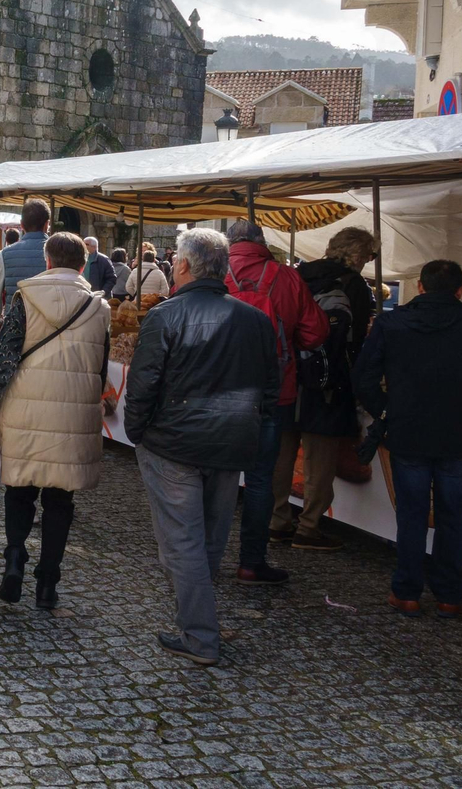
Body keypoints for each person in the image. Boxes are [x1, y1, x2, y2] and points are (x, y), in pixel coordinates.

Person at [124, 227, 279, 666]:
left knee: (184, 541)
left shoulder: (167, 315)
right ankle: (200, 620)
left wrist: (138, 432)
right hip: (228, 439)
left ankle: (199, 635)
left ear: (183, 265)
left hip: (176, 442)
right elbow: (271, 386)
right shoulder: (255, 319)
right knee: (207, 537)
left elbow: (143, 384)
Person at [354, 260, 462, 618]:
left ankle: (407, 592)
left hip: (409, 429)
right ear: (460, 290)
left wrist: (385, 410)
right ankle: (449, 594)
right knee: (453, 515)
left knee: (412, 514)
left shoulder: (391, 323)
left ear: (420, 286)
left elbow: (363, 376)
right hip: (460, 430)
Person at [0, 232, 109, 608]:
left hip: (24, 406)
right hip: (73, 411)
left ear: (47, 261)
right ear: (83, 264)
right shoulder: (99, 307)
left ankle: (15, 558)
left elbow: (4, 355)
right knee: (60, 500)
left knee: (20, 490)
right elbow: (100, 366)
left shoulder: (26, 296)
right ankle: (48, 580)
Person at [223, 220, 327, 585]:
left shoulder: (213, 271)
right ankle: (251, 562)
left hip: (217, 388)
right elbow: (315, 333)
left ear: (230, 243)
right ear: (261, 242)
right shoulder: (287, 276)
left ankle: (201, 559)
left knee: (211, 474)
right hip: (273, 391)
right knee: (261, 479)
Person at [272, 227, 376, 551]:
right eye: (370, 255)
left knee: (281, 453)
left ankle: (276, 521)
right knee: (320, 459)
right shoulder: (354, 285)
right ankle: (309, 528)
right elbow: (357, 341)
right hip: (328, 383)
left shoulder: (297, 274)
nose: (369, 260)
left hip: (288, 375)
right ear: (359, 254)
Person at [0, 198, 51, 328]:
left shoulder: (4, 255)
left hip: (15, 328)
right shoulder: (61, 252)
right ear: (47, 225)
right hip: (50, 328)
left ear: (21, 225)